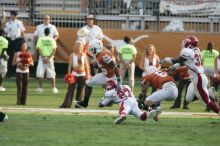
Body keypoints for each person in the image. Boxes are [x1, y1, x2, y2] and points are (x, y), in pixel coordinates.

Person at [163, 36, 220, 114]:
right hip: (195, 79)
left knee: (207, 101)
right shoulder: (196, 50)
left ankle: (218, 110)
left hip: (199, 78)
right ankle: (208, 92)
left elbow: (178, 60)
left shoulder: (187, 52)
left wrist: (167, 59)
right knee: (188, 98)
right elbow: (185, 63)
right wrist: (174, 67)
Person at [75, 39, 121, 108]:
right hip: (105, 75)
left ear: (97, 48)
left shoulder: (104, 55)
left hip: (112, 77)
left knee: (106, 102)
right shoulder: (99, 53)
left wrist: (119, 80)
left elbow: (115, 67)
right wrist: (97, 64)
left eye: (92, 49)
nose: (91, 50)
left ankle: (124, 103)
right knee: (88, 83)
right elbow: (104, 64)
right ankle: (85, 102)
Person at [59, 40, 90, 108]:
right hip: (74, 74)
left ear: (82, 47)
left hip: (82, 74)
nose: (78, 46)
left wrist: (88, 75)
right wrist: (68, 74)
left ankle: (78, 105)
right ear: (75, 47)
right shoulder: (72, 55)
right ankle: (66, 105)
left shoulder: (84, 55)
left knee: (80, 90)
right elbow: (70, 65)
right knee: (70, 90)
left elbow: (86, 66)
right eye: (77, 45)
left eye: (80, 45)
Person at [35, 28, 58, 93]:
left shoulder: (40, 39)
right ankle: (53, 88)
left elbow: (38, 49)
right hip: (49, 58)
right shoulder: (52, 40)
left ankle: (40, 88)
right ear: (49, 33)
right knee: (52, 73)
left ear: (44, 32)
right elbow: (54, 50)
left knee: (40, 73)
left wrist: (43, 57)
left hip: (42, 58)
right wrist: (48, 58)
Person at [4, 11, 25, 77]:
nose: (14, 16)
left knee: (17, 55)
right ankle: (9, 72)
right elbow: (5, 32)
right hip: (10, 40)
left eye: (15, 15)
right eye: (13, 15)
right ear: (11, 15)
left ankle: (17, 71)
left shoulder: (20, 22)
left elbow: (22, 31)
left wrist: (23, 40)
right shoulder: (8, 23)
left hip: (17, 40)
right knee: (9, 55)